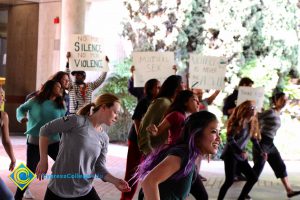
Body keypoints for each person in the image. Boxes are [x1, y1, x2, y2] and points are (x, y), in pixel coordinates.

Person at [36, 93, 131, 200]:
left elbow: (99, 167)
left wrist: (115, 181)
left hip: (85, 190)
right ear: (103, 107)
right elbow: (45, 130)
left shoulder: (104, 138)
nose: (116, 117)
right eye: (115, 112)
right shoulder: (76, 121)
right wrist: (43, 160)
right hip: (58, 191)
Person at [138, 111, 221, 199]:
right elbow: (148, 182)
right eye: (213, 132)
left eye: (219, 133)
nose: (219, 138)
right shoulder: (182, 155)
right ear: (196, 133)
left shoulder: (189, 156)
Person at [15, 80, 66, 200]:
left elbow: (63, 121)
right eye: (58, 86)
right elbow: (20, 109)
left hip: (54, 141)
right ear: (50, 87)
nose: (60, 89)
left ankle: (59, 194)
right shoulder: (35, 100)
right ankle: (17, 196)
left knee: (64, 165)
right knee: (29, 170)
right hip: (35, 140)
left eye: (61, 87)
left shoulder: (61, 104)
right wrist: (21, 118)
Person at [250, 92, 300, 198]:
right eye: (282, 99)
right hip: (262, 143)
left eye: (285, 100)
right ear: (276, 101)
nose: (284, 102)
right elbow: (255, 118)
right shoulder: (270, 112)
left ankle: (289, 190)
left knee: (280, 166)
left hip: (270, 144)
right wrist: (256, 132)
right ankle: (243, 193)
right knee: (256, 172)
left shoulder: (278, 113)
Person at [218, 100, 266, 200]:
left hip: (240, 155)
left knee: (253, 178)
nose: (254, 110)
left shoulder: (252, 122)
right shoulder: (237, 122)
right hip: (230, 154)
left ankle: (241, 198)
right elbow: (230, 139)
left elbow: (254, 139)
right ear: (245, 109)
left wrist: (261, 152)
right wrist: (241, 151)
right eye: (251, 108)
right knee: (229, 181)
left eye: (254, 108)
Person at [121, 78, 161, 200]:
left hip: (148, 143)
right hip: (136, 141)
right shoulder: (144, 101)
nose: (160, 89)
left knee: (146, 172)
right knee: (132, 173)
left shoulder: (158, 102)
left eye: (160, 87)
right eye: (157, 87)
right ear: (150, 89)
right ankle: (126, 198)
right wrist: (140, 137)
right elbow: (136, 119)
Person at [138, 75, 183, 155]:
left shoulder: (173, 104)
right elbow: (145, 126)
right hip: (155, 153)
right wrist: (149, 152)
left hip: (165, 153)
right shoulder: (162, 102)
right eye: (182, 83)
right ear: (177, 88)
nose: (185, 86)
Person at [222, 77, 254, 182]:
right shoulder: (232, 97)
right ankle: (234, 173)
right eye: (249, 86)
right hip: (236, 126)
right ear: (243, 85)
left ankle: (238, 173)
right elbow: (225, 111)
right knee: (234, 147)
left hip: (244, 127)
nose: (250, 88)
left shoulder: (250, 98)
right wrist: (238, 109)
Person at [0, 90, 16, 200]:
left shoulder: (3, 116)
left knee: (8, 197)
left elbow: (6, 141)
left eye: (3, 95)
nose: (2, 98)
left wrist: (13, 158)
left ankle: (23, 191)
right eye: (0, 95)